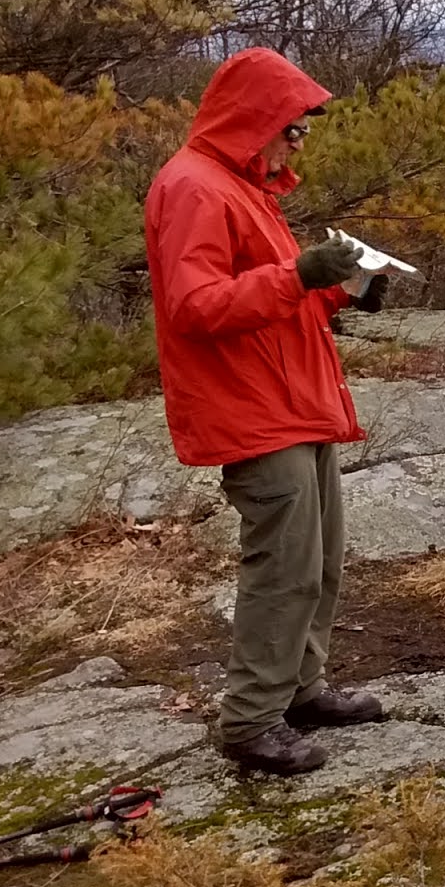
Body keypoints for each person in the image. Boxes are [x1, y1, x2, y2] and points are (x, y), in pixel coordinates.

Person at [143, 48, 394, 775]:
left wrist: (341, 290)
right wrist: (297, 274)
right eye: (293, 127)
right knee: (283, 568)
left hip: (294, 401)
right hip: (252, 407)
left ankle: (300, 690)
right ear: (256, 121)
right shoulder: (193, 188)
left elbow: (272, 295)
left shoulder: (242, 188)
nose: (298, 141)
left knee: (319, 562)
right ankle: (251, 722)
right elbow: (194, 308)